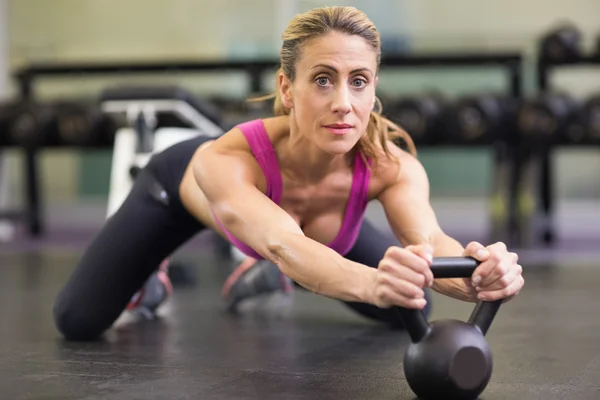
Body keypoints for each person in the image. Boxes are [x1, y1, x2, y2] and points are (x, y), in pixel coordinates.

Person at [53, 6, 524, 342]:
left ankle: (270, 277)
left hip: (301, 236)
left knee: (410, 303)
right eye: (323, 79)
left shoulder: (391, 165)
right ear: (288, 87)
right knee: (78, 320)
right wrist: (372, 281)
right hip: (180, 192)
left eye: (358, 81)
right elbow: (285, 244)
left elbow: (430, 243)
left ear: (373, 86)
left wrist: (478, 275)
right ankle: (152, 281)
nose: (343, 102)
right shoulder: (227, 159)